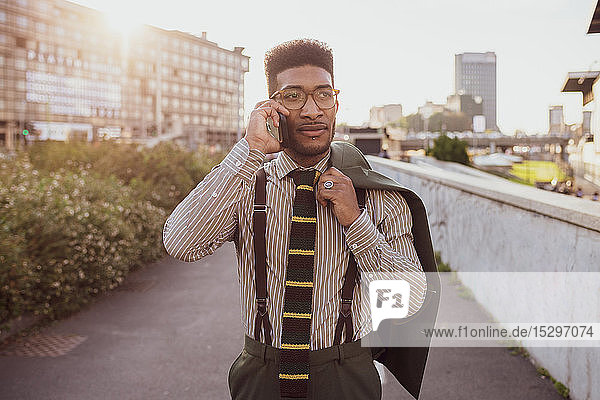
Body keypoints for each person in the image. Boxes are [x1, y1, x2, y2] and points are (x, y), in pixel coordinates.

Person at [162, 39, 427, 400]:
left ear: (337, 101)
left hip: (344, 373)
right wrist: (250, 150)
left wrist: (355, 220)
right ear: (271, 106)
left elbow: (410, 301)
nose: (312, 110)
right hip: (260, 373)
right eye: (293, 96)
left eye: (323, 95)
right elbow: (181, 243)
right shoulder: (247, 183)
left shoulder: (377, 195)